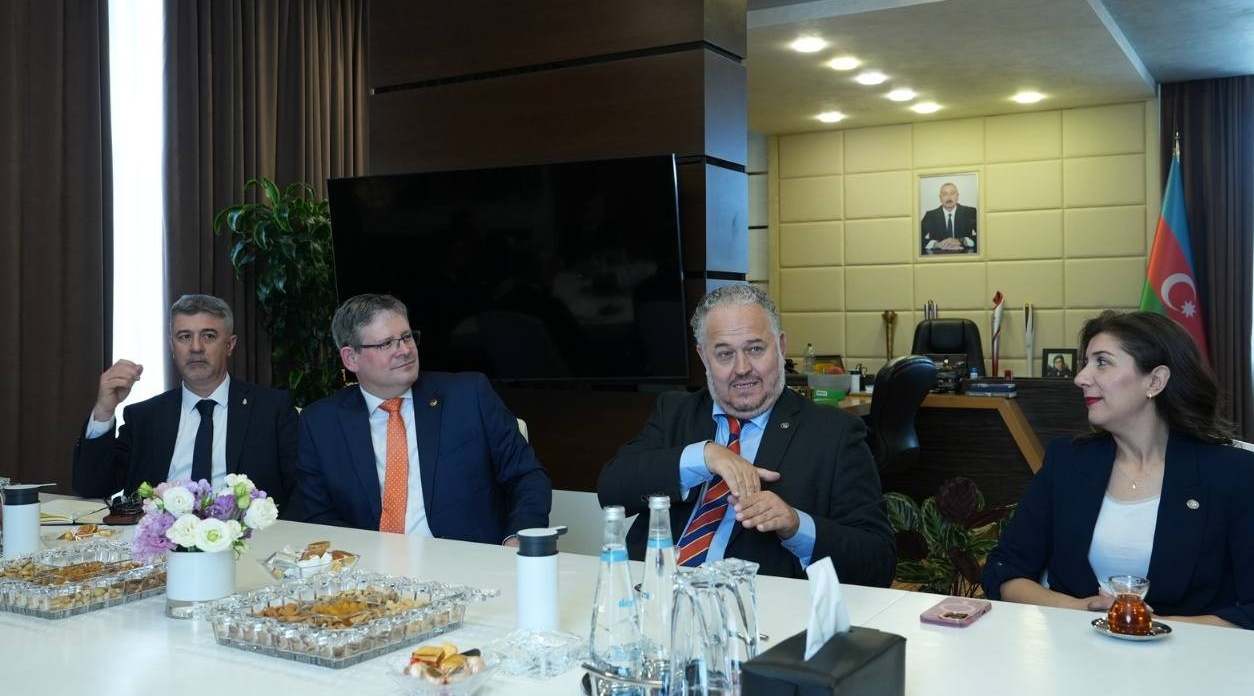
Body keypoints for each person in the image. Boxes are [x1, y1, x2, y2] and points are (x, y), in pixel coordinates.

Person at [983, 310, 1254, 632]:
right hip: (1073, 650)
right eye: (1085, 362)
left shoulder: (1228, 473)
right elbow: (1004, 569)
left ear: (1155, 381)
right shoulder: (1066, 461)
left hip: (1190, 657)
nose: (1080, 377)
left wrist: (1155, 627)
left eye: (1102, 362)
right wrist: (1081, 609)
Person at [596, 284, 895, 585]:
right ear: (704, 358)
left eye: (755, 349)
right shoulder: (675, 411)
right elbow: (612, 490)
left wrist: (796, 526)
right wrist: (703, 455)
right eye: (724, 354)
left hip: (752, 605)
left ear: (780, 347)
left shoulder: (834, 433)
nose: (742, 368)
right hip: (649, 594)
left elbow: (878, 561)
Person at [295, 293, 550, 545]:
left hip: (465, 561)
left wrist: (518, 539)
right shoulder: (320, 423)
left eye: (407, 337)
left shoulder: (469, 396)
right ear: (351, 358)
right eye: (387, 344)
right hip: (370, 566)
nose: (405, 350)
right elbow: (317, 515)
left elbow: (526, 477)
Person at [73, 294, 298, 507]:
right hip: (159, 533)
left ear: (229, 345)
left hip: (247, 533)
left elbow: (299, 493)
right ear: (172, 346)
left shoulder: (272, 409)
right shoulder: (144, 417)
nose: (196, 347)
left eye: (208, 336)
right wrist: (104, 409)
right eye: (185, 337)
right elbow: (92, 487)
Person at [920, 182, 978, 253]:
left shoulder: (970, 212)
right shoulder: (930, 215)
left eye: (952, 193)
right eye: (945, 194)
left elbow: (985, 236)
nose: (949, 197)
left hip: (965, 256)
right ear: (940, 198)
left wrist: (963, 241)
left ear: (957, 196)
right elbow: (915, 238)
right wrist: (936, 244)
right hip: (938, 256)